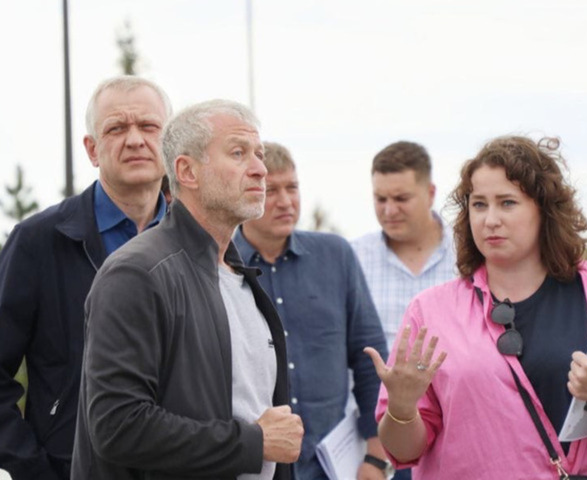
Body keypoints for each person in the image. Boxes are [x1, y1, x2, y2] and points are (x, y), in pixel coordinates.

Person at [71, 100, 303, 480]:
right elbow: (117, 426)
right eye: (238, 153)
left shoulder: (241, 277)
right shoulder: (137, 274)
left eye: (258, 155)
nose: (260, 169)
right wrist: (253, 443)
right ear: (187, 171)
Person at [0, 75, 171, 480]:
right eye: (116, 128)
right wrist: (39, 471)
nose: (135, 140)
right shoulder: (38, 242)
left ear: (171, 142)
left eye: (148, 126)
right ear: (92, 149)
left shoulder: (197, 246)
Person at [365, 136, 587, 478]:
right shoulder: (430, 311)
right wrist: (402, 407)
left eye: (507, 203)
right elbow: (402, 451)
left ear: (545, 209)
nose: (490, 220)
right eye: (479, 204)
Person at [233, 142, 389, 480]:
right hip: (252, 467)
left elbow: (370, 357)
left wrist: (376, 458)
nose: (286, 201)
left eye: (292, 187)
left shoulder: (336, 255)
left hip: (332, 467)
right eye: (271, 190)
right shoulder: (222, 266)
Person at [352, 141, 456, 351]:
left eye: (401, 198)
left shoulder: (468, 253)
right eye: (381, 199)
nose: (390, 210)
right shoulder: (354, 258)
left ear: (431, 194)